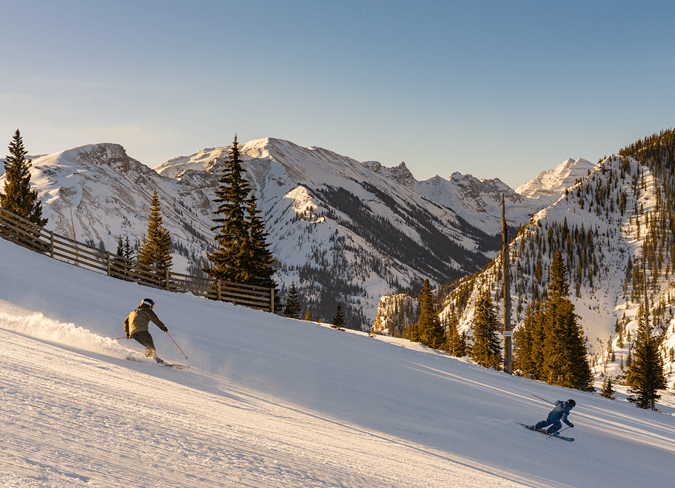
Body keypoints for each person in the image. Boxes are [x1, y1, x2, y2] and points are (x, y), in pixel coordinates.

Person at [124, 298, 168, 363]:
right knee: (150, 347)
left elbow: (126, 322)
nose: (152, 307)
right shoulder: (147, 311)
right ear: (149, 305)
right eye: (152, 306)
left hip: (133, 334)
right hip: (142, 332)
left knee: (148, 345)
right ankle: (153, 360)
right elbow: (155, 320)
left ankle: (149, 358)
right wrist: (163, 328)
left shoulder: (133, 312)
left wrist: (128, 333)